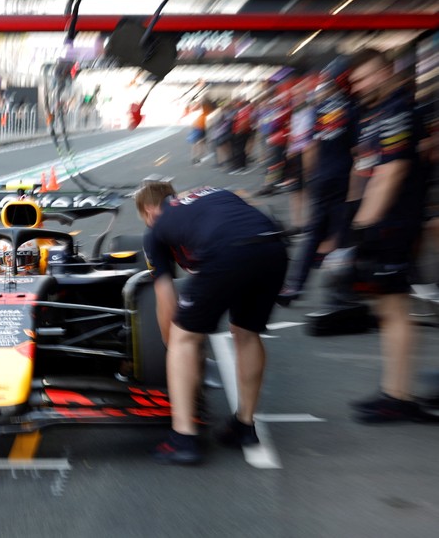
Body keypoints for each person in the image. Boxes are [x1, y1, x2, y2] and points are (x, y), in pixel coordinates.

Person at [136, 181, 287, 465]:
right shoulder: (209, 193)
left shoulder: (156, 230)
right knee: (246, 332)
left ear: (148, 210)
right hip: (273, 246)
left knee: (184, 338)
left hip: (228, 249)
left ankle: (182, 439)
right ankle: (244, 425)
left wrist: (176, 352)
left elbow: (166, 300)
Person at [344, 48, 436, 423]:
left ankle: (400, 397)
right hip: (384, 223)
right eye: (355, 82)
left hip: (395, 225)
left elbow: (392, 172)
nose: (359, 86)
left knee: (395, 309)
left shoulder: (398, 112)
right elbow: (366, 167)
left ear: (385, 73)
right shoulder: (376, 115)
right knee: (388, 309)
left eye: (365, 78)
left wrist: (363, 228)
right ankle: (395, 392)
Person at [277, 58, 358, 305]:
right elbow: (359, 152)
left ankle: (294, 287)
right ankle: (340, 291)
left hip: (321, 177)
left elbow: (310, 148)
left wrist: (312, 178)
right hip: (344, 178)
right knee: (342, 235)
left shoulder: (321, 109)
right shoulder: (355, 108)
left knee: (314, 234)